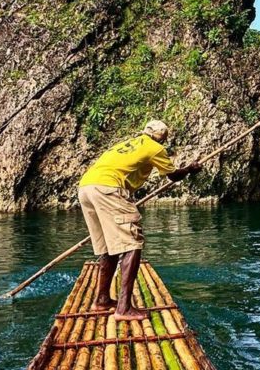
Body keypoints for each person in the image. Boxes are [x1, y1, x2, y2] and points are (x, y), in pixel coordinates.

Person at [78, 120, 197, 321]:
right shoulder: (155, 148)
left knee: (108, 247)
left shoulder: (126, 144)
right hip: (108, 188)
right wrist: (190, 169)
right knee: (132, 244)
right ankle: (123, 308)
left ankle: (102, 300)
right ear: (163, 138)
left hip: (86, 188)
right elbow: (173, 176)